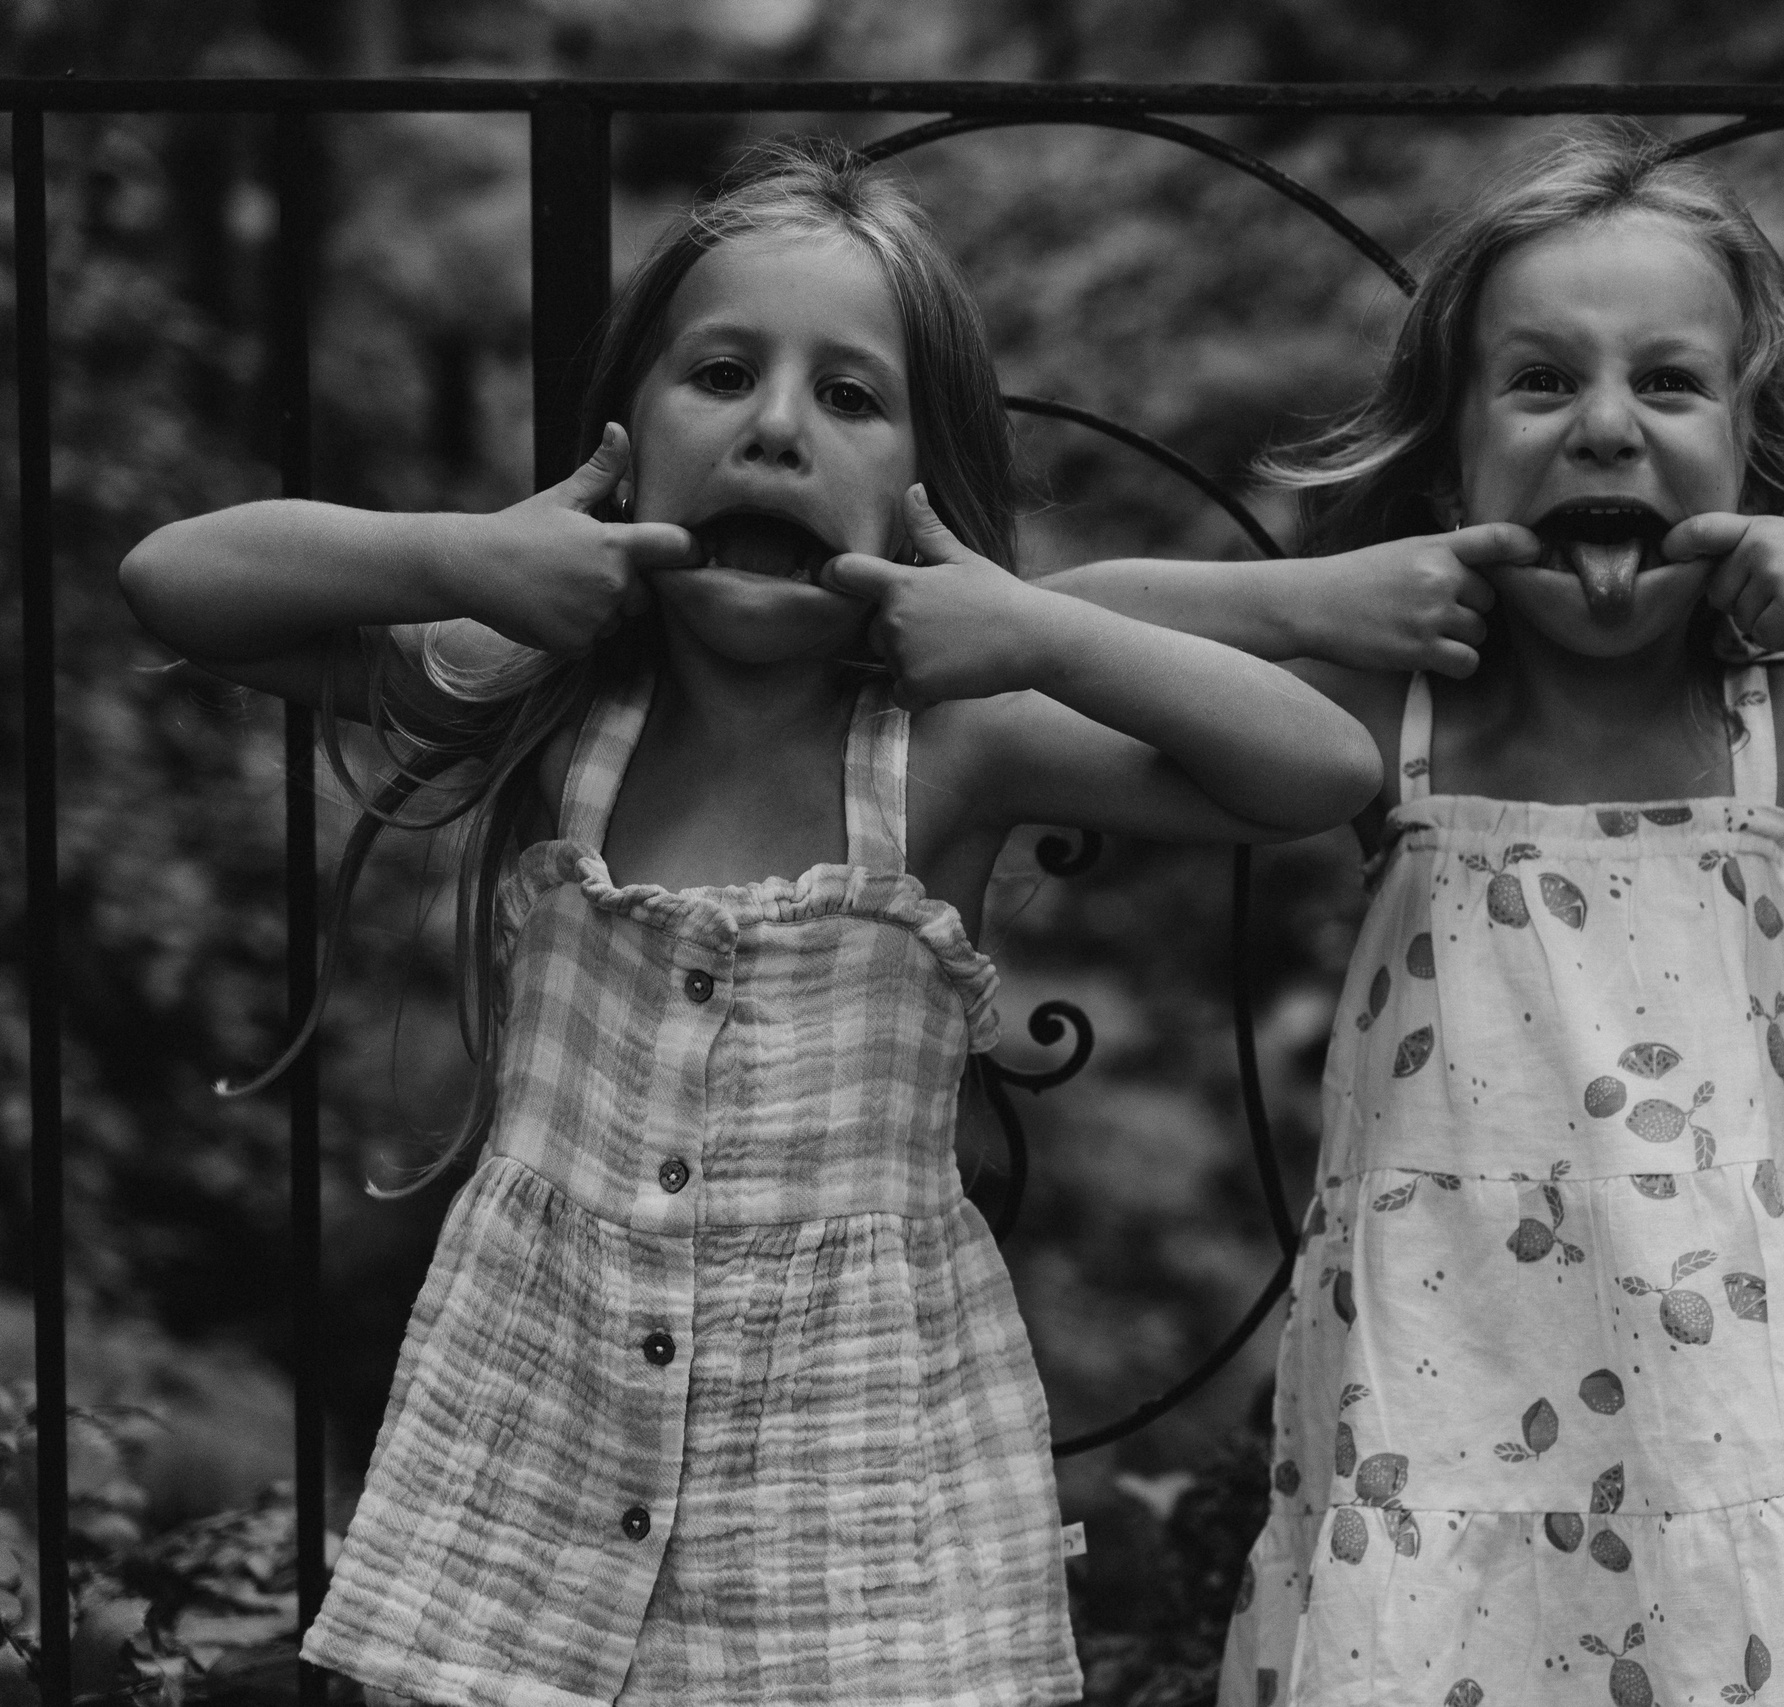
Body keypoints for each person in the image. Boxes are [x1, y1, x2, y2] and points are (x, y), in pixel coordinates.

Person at [118, 137, 1379, 1707]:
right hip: (546, 1443)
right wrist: (467, 555)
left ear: (924, 484)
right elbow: (175, 579)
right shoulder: (539, 695)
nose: (777, 428)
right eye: (722, 373)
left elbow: (1320, 771)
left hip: (850, 1475)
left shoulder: (952, 747)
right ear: (628, 435)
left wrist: (1030, 622)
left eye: (850, 397)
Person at [1041, 125, 1784, 1707]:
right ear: (1452, 448)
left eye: (1668, 385)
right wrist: (1303, 602)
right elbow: (1034, 630)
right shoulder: (1392, 714)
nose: (1605, 427)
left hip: (1750, 1411)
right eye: (1539, 384)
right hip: (1448, 1417)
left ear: (1748, 446)